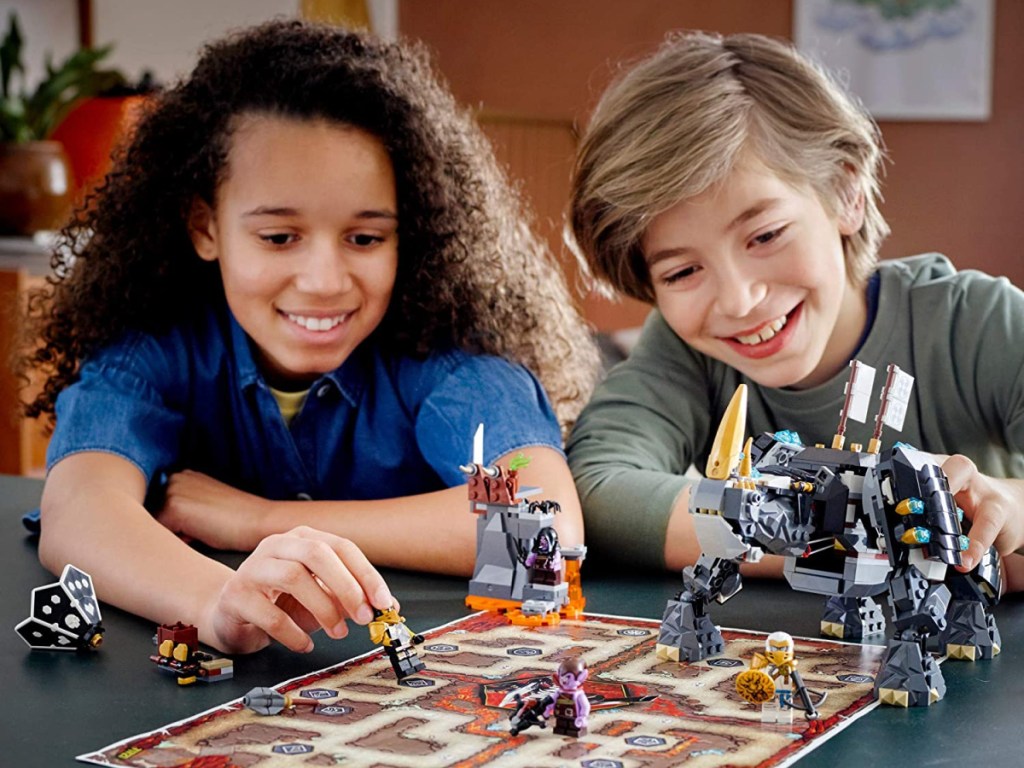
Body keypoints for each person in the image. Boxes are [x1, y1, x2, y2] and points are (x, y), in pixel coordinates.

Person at [18, 20, 599, 654]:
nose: (324, 281)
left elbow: (544, 528)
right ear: (205, 226)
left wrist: (257, 518)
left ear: (414, 233)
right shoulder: (154, 351)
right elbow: (79, 510)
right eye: (278, 237)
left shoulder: (452, 362)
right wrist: (214, 602)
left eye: (366, 238)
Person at [566, 31, 1024, 589]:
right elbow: (596, 488)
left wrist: (1011, 510)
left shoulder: (977, 322)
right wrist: (852, 538)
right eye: (683, 272)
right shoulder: (685, 348)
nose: (738, 300)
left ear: (846, 192)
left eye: (765, 235)